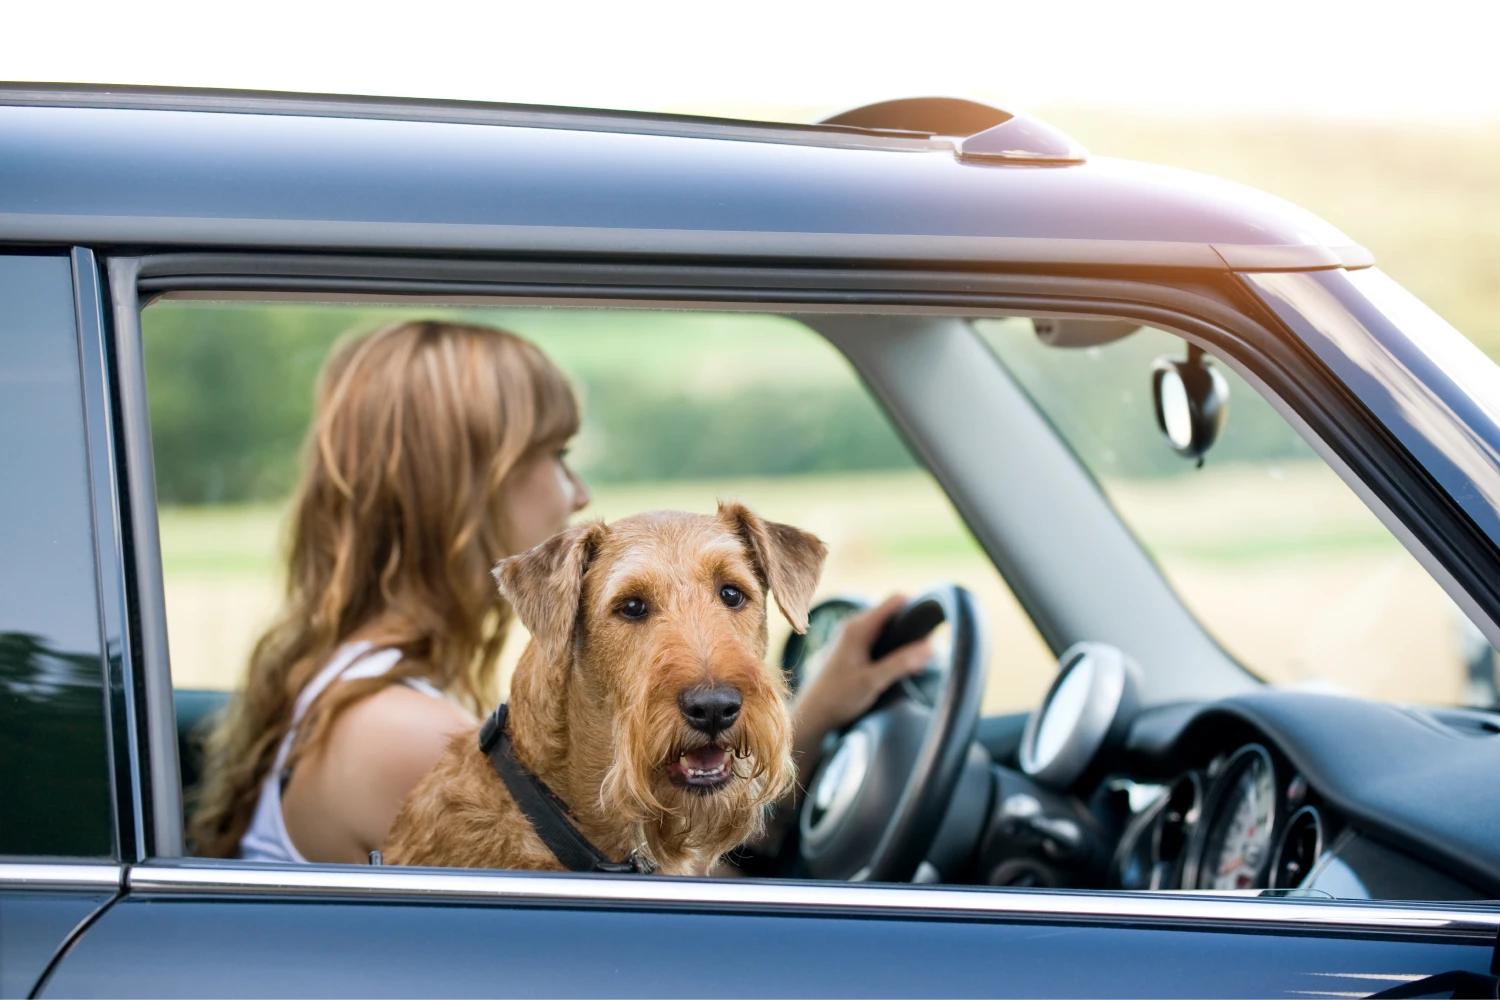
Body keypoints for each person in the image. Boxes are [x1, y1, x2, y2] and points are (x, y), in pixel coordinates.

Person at [190, 319, 928, 864]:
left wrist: (813, 710)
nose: (578, 491)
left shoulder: (371, 684)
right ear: (460, 491)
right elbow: (648, 853)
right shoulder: (399, 738)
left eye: (733, 596)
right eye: (554, 456)